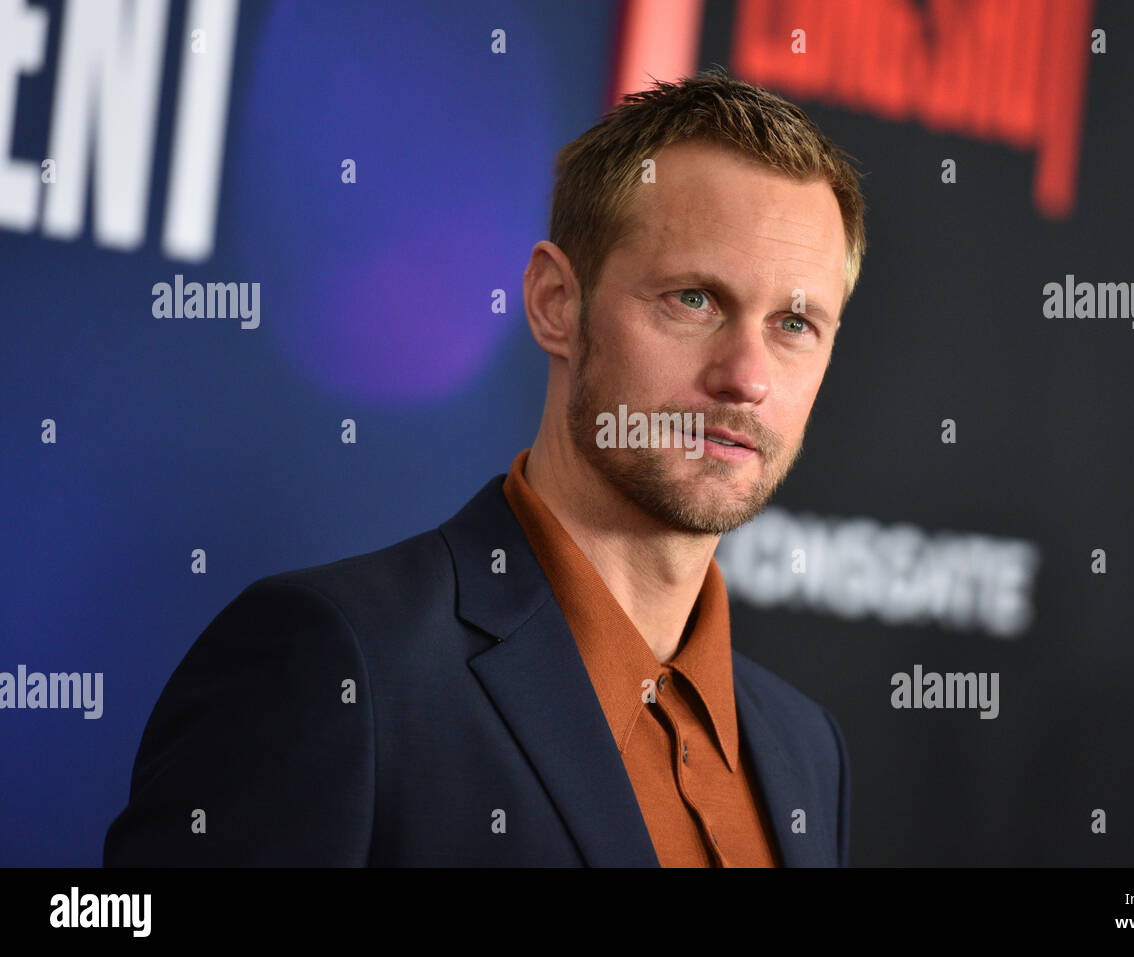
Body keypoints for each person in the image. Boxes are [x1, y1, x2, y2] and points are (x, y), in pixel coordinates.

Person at [104, 69, 866, 867]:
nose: (747, 375)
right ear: (554, 303)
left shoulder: (805, 751)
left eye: (794, 322)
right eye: (694, 300)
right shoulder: (339, 668)